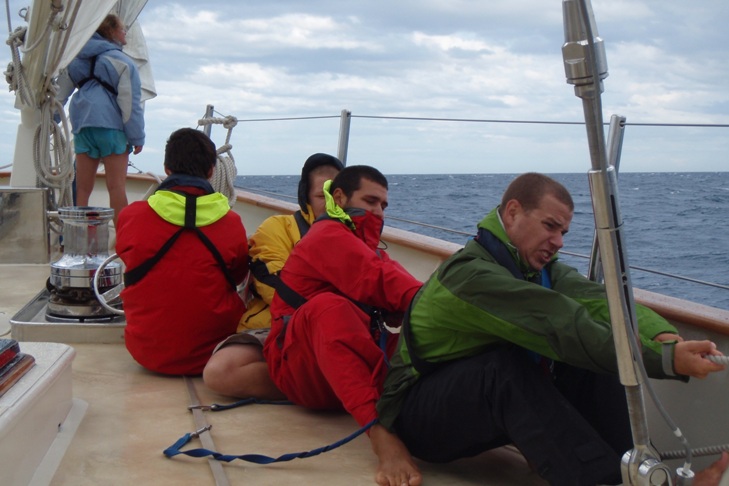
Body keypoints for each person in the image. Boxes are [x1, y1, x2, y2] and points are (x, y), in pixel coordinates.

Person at [377, 172, 728, 485]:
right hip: (418, 417)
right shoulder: (470, 276)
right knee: (505, 369)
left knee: (590, 357)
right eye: (550, 226)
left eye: (563, 232)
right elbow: (560, 323)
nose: (559, 241)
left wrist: (662, 336)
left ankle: (638, 473)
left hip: (472, 410)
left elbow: (600, 300)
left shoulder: (535, 269)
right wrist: (664, 360)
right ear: (513, 212)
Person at [263, 165, 423, 486]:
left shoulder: (369, 251)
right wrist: (437, 302)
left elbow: (401, 286)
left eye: (383, 205)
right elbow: (381, 280)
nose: (379, 211)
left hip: (341, 378)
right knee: (328, 308)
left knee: (421, 331)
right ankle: (380, 434)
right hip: (298, 369)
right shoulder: (326, 235)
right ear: (339, 197)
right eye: (370, 201)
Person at [203, 153, 343, 400]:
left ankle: (325, 383)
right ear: (305, 198)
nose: (331, 203)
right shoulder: (276, 228)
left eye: (338, 196)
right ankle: (331, 384)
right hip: (277, 327)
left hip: (339, 334)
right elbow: (275, 287)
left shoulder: (359, 237)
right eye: (322, 196)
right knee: (220, 372)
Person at [116, 128, 248, 376]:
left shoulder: (132, 216)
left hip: (147, 352)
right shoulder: (232, 223)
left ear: (167, 168)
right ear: (211, 171)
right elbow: (238, 276)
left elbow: (128, 259)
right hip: (216, 353)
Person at [57, 13, 145, 226]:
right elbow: (130, 105)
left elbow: (60, 96)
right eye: (122, 29)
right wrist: (137, 137)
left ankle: (78, 234)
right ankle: (122, 237)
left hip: (83, 126)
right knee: (116, 187)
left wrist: (49, 121)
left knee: (82, 188)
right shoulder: (123, 63)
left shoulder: (74, 61)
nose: (125, 33)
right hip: (111, 128)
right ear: (111, 31)